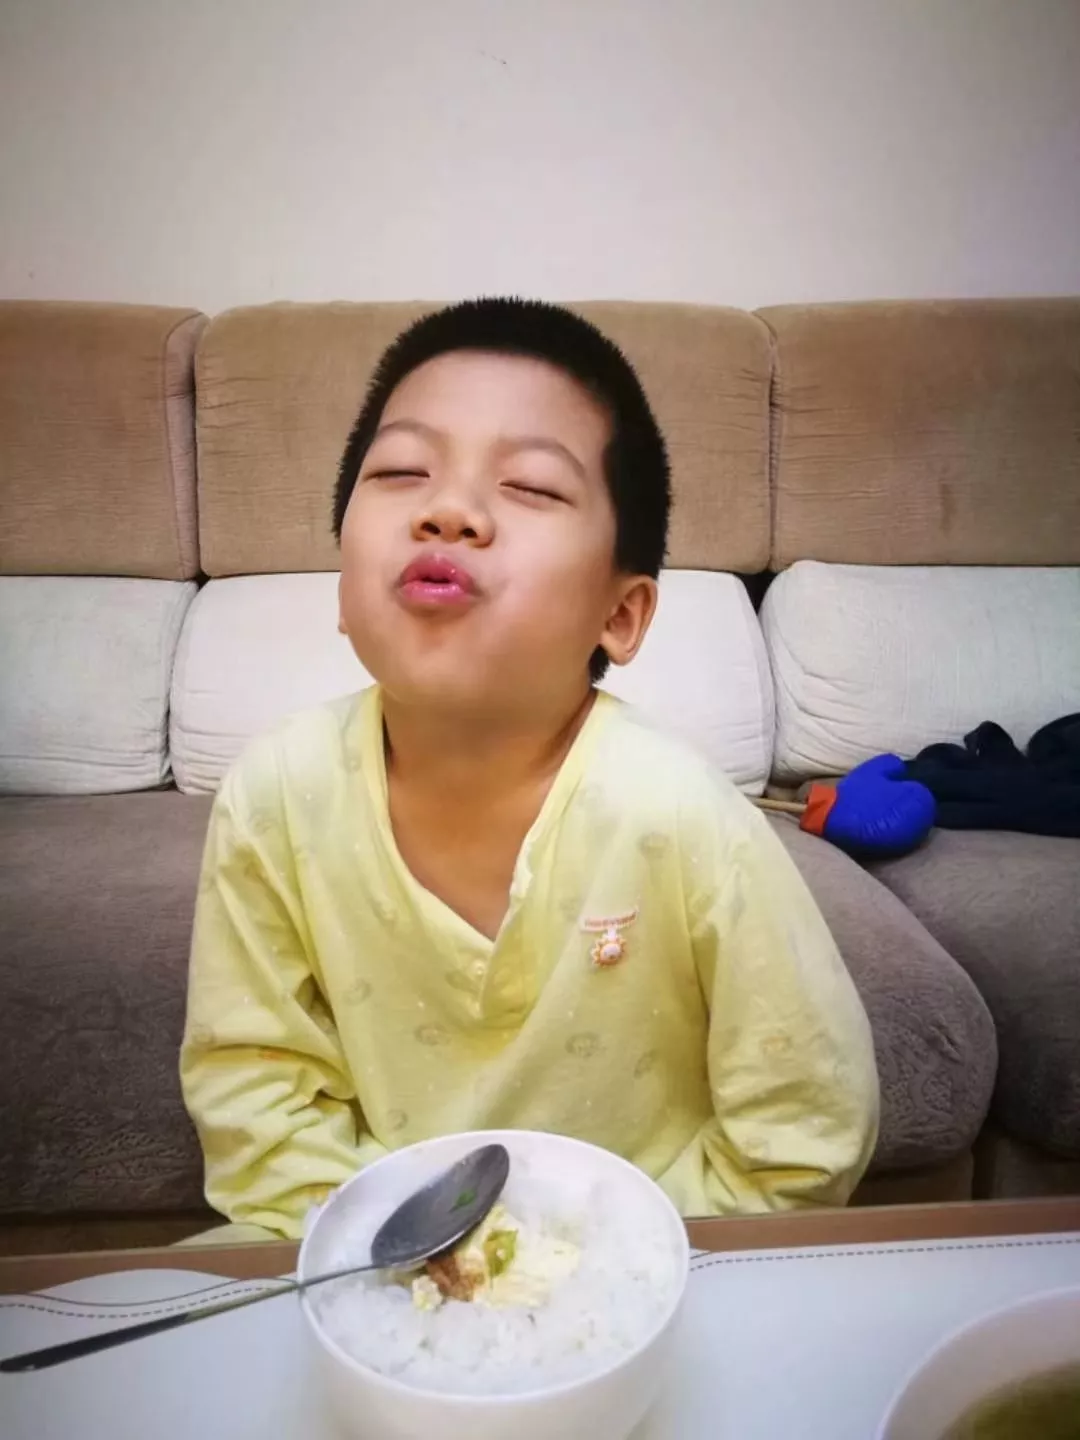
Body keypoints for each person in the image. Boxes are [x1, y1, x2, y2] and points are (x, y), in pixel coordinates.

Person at [180, 298, 878, 1242]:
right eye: (402, 471)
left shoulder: (680, 814)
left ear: (619, 615)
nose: (448, 511)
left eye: (532, 487)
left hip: (644, 1261)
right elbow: (257, 1093)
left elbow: (804, 1131)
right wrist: (395, 1258)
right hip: (364, 1253)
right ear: (341, 589)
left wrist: (605, 1264)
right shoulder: (275, 795)